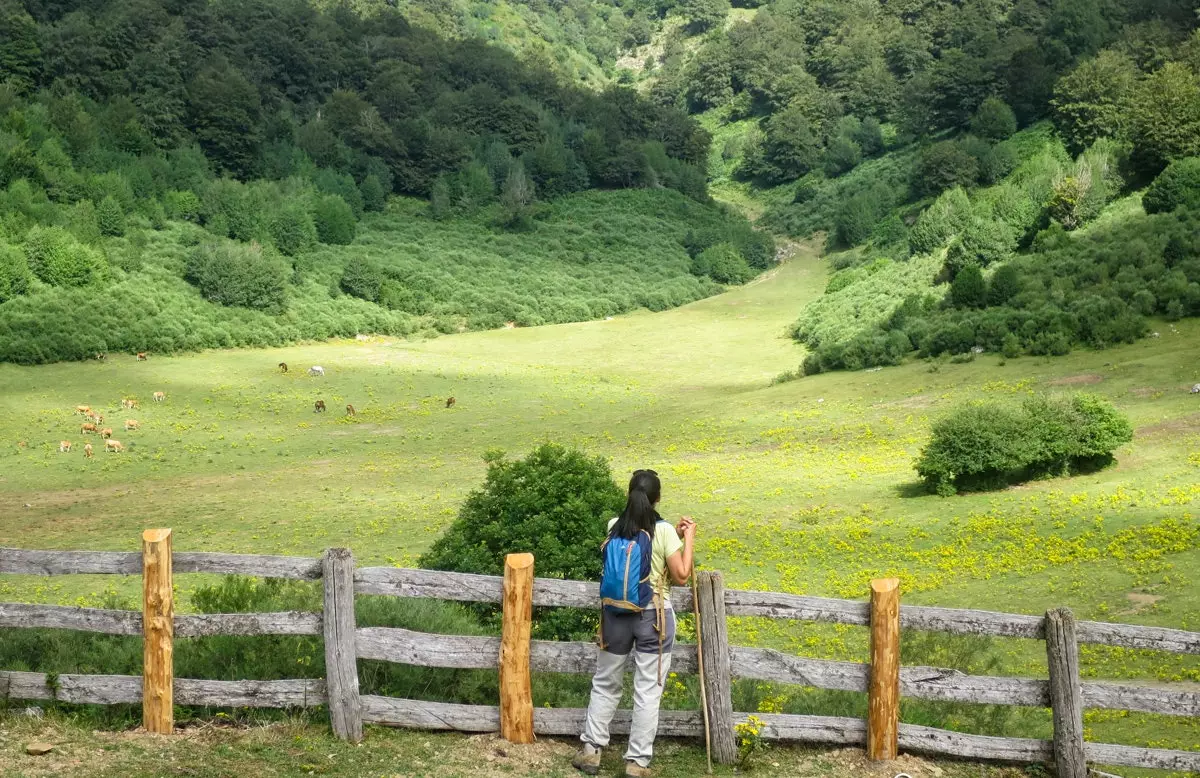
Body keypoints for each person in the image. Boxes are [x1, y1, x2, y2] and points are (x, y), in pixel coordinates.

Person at [572, 469, 697, 778]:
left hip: (615, 615)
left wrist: (674, 537)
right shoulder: (665, 530)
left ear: (629, 494)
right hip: (654, 617)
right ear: (658, 499)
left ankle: (590, 752)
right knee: (647, 691)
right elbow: (681, 575)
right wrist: (688, 538)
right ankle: (636, 763)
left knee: (605, 682)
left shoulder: (614, 526)